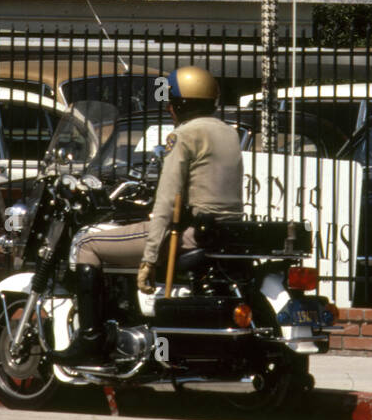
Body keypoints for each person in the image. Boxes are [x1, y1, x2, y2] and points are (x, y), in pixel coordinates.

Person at [49, 64, 244, 366]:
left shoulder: (183, 136)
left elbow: (166, 202)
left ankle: (92, 340)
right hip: (222, 231)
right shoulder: (228, 133)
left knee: (88, 244)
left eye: (171, 102)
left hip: (189, 233)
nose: (168, 108)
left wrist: (149, 259)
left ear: (180, 104)